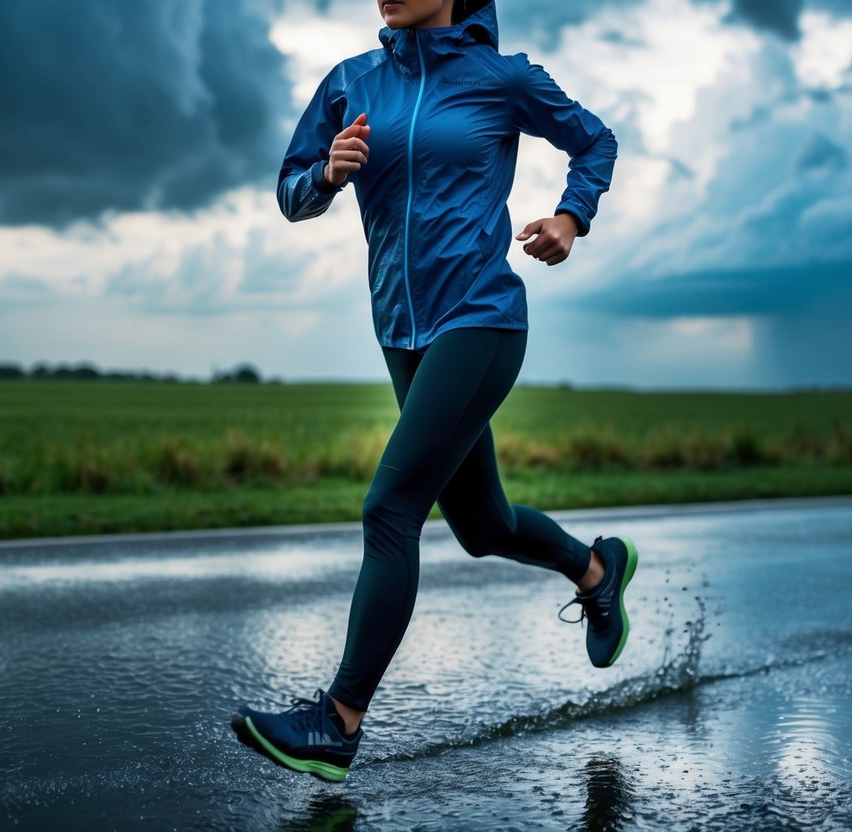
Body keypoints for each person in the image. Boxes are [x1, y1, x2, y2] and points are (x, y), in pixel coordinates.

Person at [232, 0, 634, 782]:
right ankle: (594, 569)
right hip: (401, 333)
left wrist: (569, 217)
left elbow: (595, 141)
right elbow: (289, 192)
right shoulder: (352, 83)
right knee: (481, 525)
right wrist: (325, 174)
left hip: (480, 319)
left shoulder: (501, 77)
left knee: (389, 510)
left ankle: (338, 721)